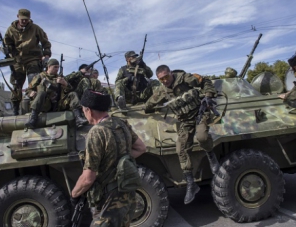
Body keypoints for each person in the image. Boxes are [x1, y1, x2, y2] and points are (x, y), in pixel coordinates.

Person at [144, 65, 220, 205]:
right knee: (181, 149)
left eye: (166, 77)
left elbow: (205, 81)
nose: (165, 81)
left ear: (171, 73)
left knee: (202, 137)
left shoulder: (185, 78)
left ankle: (211, 156)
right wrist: (147, 108)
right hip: (185, 121)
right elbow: (150, 103)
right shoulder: (162, 90)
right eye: (161, 79)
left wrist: (208, 96)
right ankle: (191, 184)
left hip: (200, 113)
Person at [71, 89, 146, 226]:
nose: (83, 113)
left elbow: (88, 178)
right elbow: (141, 148)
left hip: (109, 200)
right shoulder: (121, 123)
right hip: (127, 195)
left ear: (89, 110)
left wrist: (74, 194)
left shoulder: (96, 132)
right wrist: (118, 163)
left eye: (83, 110)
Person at [4, 8, 51, 115]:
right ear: (18, 17)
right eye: (22, 19)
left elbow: (45, 42)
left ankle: (34, 109)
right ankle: (16, 110)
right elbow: (8, 43)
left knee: (33, 82)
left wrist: (46, 55)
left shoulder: (35, 28)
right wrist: (9, 49)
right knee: (16, 85)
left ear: (29, 19)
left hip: (33, 59)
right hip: (18, 61)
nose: (24, 21)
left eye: (26, 19)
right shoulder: (11, 30)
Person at [25, 59, 88, 129]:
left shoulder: (60, 77)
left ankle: (78, 118)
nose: (57, 69)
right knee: (41, 92)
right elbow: (28, 89)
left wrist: (65, 84)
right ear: (49, 67)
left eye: (58, 67)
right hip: (45, 104)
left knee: (73, 94)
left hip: (59, 104)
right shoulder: (40, 76)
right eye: (55, 67)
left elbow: (69, 90)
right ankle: (33, 118)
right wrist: (31, 93)